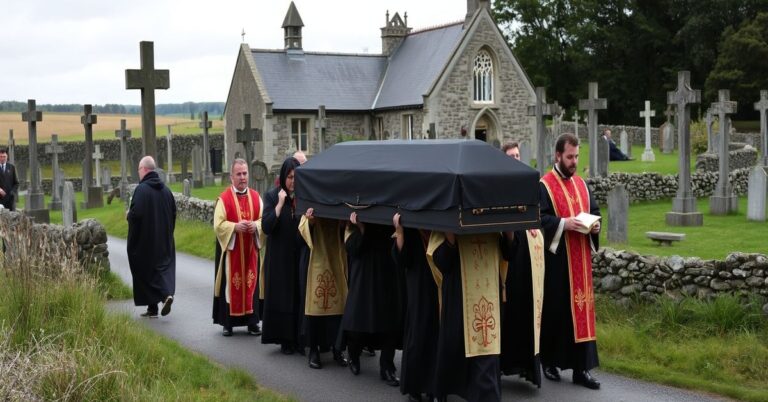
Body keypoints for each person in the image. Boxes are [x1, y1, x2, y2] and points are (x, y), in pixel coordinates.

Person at [539, 133, 602, 390]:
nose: (574, 161)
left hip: (581, 261)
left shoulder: (582, 184)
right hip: (557, 262)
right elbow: (538, 220)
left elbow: (595, 212)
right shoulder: (544, 185)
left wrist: (595, 226)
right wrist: (564, 224)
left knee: (582, 313)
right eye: (569, 157)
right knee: (557, 313)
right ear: (558, 156)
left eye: (576, 156)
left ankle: (581, 369)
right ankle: (550, 362)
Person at [428, 231, 510, 402]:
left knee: (486, 356)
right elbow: (441, 262)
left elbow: (510, 253)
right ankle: (444, 389)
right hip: (458, 297)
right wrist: (450, 239)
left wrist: (509, 232)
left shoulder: (494, 219)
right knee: (453, 348)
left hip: (489, 296)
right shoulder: (449, 214)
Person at [341, 211, 404, 387]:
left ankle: (387, 367)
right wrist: (362, 228)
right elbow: (352, 249)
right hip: (364, 273)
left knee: (389, 322)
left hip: (387, 270)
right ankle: (353, 355)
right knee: (359, 319)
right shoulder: (352, 222)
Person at [213, 158, 263, 336]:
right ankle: (228, 323)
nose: (243, 177)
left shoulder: (256, 198)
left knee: (252, 283)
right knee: (231, 284)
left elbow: (264, 221)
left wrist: (255, 226)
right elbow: (218, 225)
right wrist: (235, 227)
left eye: (245, 173)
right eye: (239, 174)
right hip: (232, 253)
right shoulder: (224, 199)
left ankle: (252, 322)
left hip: (250, 252)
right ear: (231, 176)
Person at [393, 213, 439, 402]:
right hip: (418, 281)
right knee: (418, 332)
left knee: (437, 333)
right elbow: (401, 260)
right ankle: (415, 386)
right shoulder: (411, 223)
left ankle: (435, 387)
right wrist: (399, 232)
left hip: (439, 281)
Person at [261, 157, 302, 354]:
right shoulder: (272, 196)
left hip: (298, 255)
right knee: (283, 296)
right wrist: (279, 206)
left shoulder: (303, 198)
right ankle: (285, 338)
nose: (293, 181)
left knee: (297, 295)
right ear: (283, 177)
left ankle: (298, 337)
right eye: (290, 177)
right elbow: (266, 226)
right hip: (279, 258)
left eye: (296, 177)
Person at [297, 208, 348, 369]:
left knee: (339, 306)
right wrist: (310, 222)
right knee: (315, 308)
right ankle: (313, 350)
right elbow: (300, 236)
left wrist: (342, 224)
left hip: (337, 257)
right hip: (316, 257)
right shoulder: (311, 198)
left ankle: (337, 348)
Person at [127, 156, 176, 318]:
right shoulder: (167, 191)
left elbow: (137, 214)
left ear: (145, 170)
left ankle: (162, 299)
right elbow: (173, 214)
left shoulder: (141, 190)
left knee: (146, 271)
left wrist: (129, 215)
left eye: (139, 170)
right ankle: (157, 303)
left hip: (146, 242)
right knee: (162, 269)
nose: (138, 173)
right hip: (164, 240)